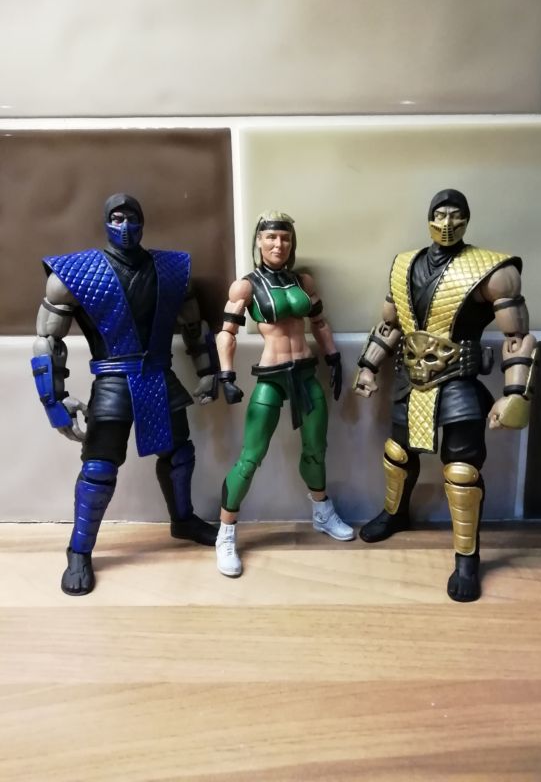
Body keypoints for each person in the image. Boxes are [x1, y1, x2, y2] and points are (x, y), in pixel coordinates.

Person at [354, 189, 537, 602]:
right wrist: (368, 366)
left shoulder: (493, 270)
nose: (447, 223)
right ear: (429, 218)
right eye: (440, 215)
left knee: (461, 471)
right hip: (411, 379)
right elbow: (390, 325)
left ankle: (467, 557)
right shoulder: (404, 265)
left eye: (456, 215)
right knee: (397, 454)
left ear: (467, 219)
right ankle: (395, 513)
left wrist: (514, 393)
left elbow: (517, 337)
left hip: (458, 381)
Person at [31, 193, 219, 595]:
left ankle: (183, 520)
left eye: (131, 217)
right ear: (105, 221)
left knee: (179, 454)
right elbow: (47, 341)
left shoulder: (172, 269)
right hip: (113, 379)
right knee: (99, 468)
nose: (125, 226)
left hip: (159, 374)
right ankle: (79, 550)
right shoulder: (74, 272)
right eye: (116, 218)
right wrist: (55, 400)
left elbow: (194, 328)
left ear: (143, 220)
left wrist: (209, 372)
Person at [213, 210, 354, 577]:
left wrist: (334, 357)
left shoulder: (302, 281)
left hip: (306, 372)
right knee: (250, 457)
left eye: (285, 238)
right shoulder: (246, 287)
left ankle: (322, 511)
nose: (278, 244)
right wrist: (226, 375)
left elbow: (319, 322)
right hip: (271, 377)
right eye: (271, 237)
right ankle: (226, 531)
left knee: (316, 449)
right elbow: (226, 333)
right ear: (259, 241)